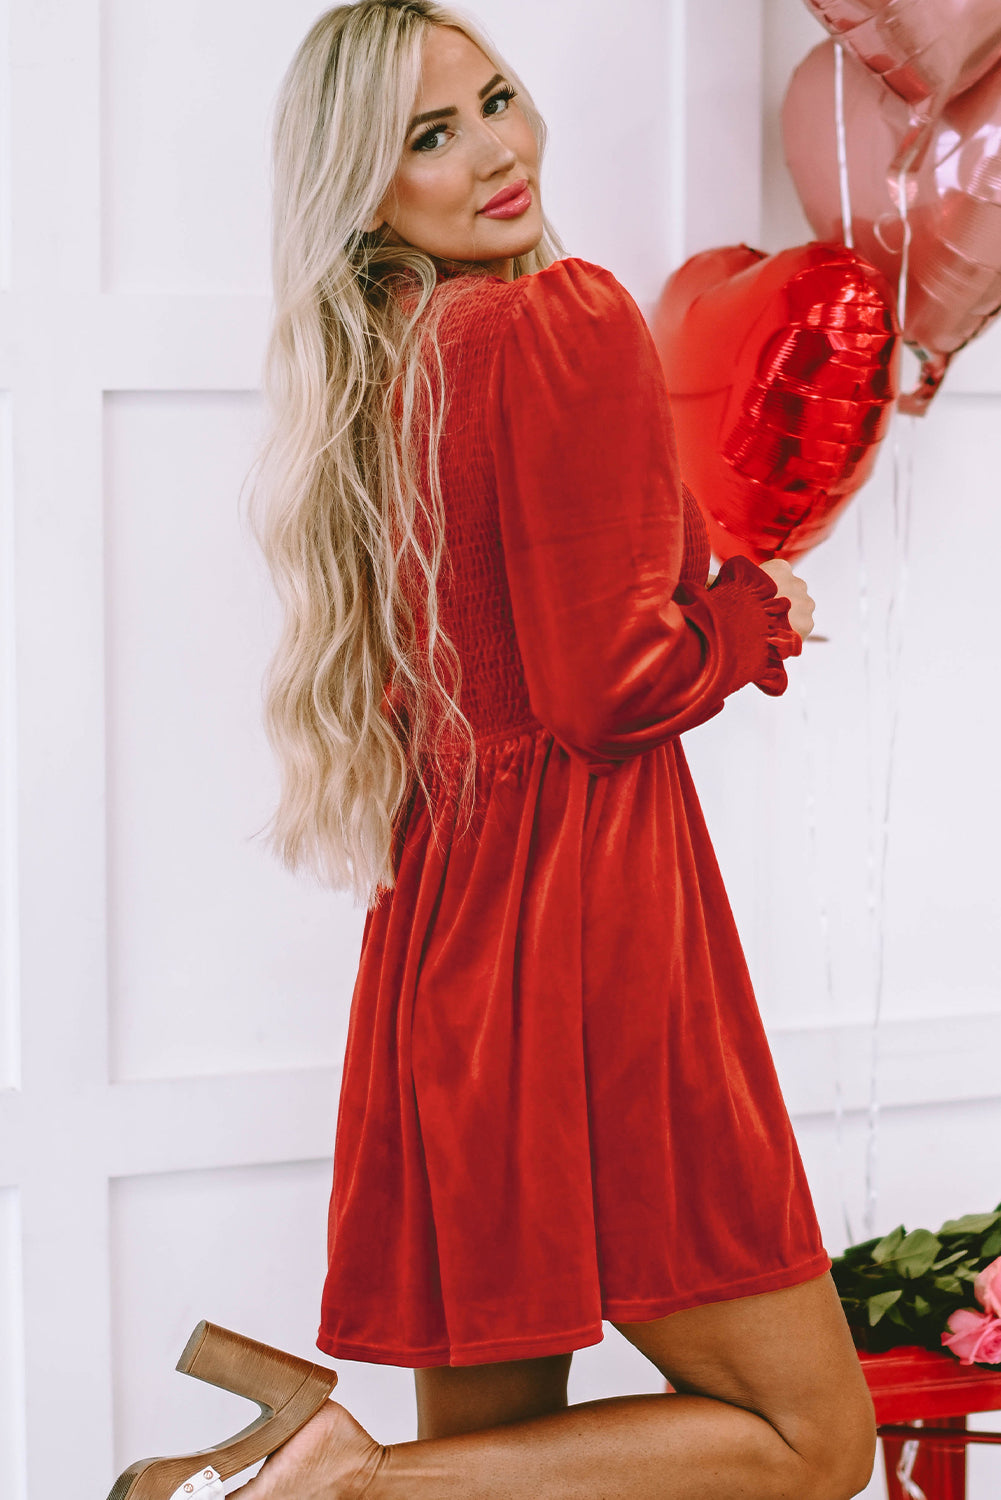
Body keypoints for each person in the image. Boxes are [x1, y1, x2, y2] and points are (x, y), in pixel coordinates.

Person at [236, 2, 877, 1495]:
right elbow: (607, 690)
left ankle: (352, 1476)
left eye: (497, 100)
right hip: (595, 936)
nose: (495, 153)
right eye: (427, 136)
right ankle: (355, 1477)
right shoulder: (555, 317)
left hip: (450, 943)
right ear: (363, 183)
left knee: (516, 1474)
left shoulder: (389, 360)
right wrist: (747, 616)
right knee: (812, 1442)